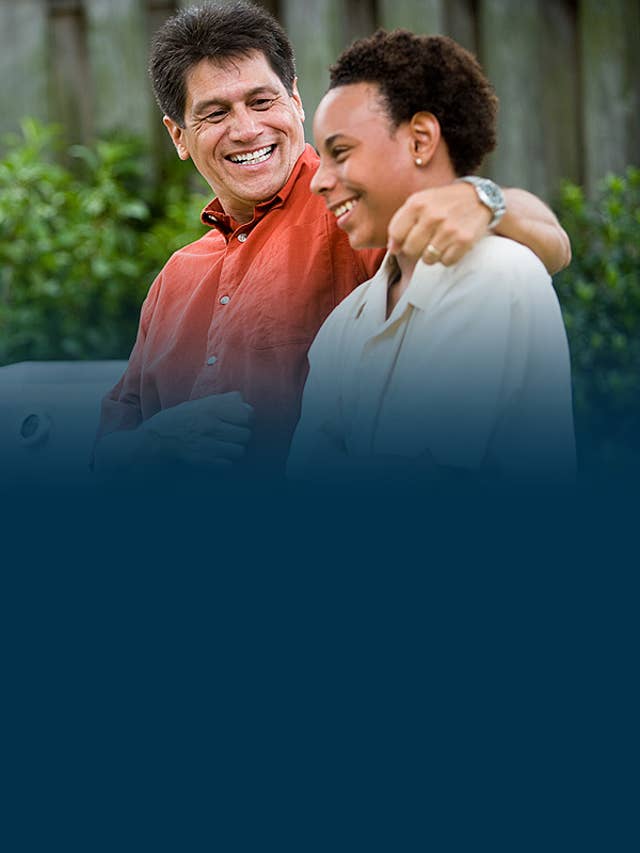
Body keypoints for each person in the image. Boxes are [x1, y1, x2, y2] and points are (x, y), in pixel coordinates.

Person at [93, 1, 571, 481]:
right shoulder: (175, 278)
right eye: (216, 113)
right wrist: (154, 444)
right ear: (179, 136)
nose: (246, 130)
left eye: (262, 102)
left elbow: (533, 251)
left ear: (296, 100)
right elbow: (106, 454)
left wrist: (482, 198)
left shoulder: (354, 211)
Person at [287, 29, 575, 485]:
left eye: (340, 152)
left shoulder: (495, 275)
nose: (318, 181)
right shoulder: (345, 323)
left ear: (421, 140)